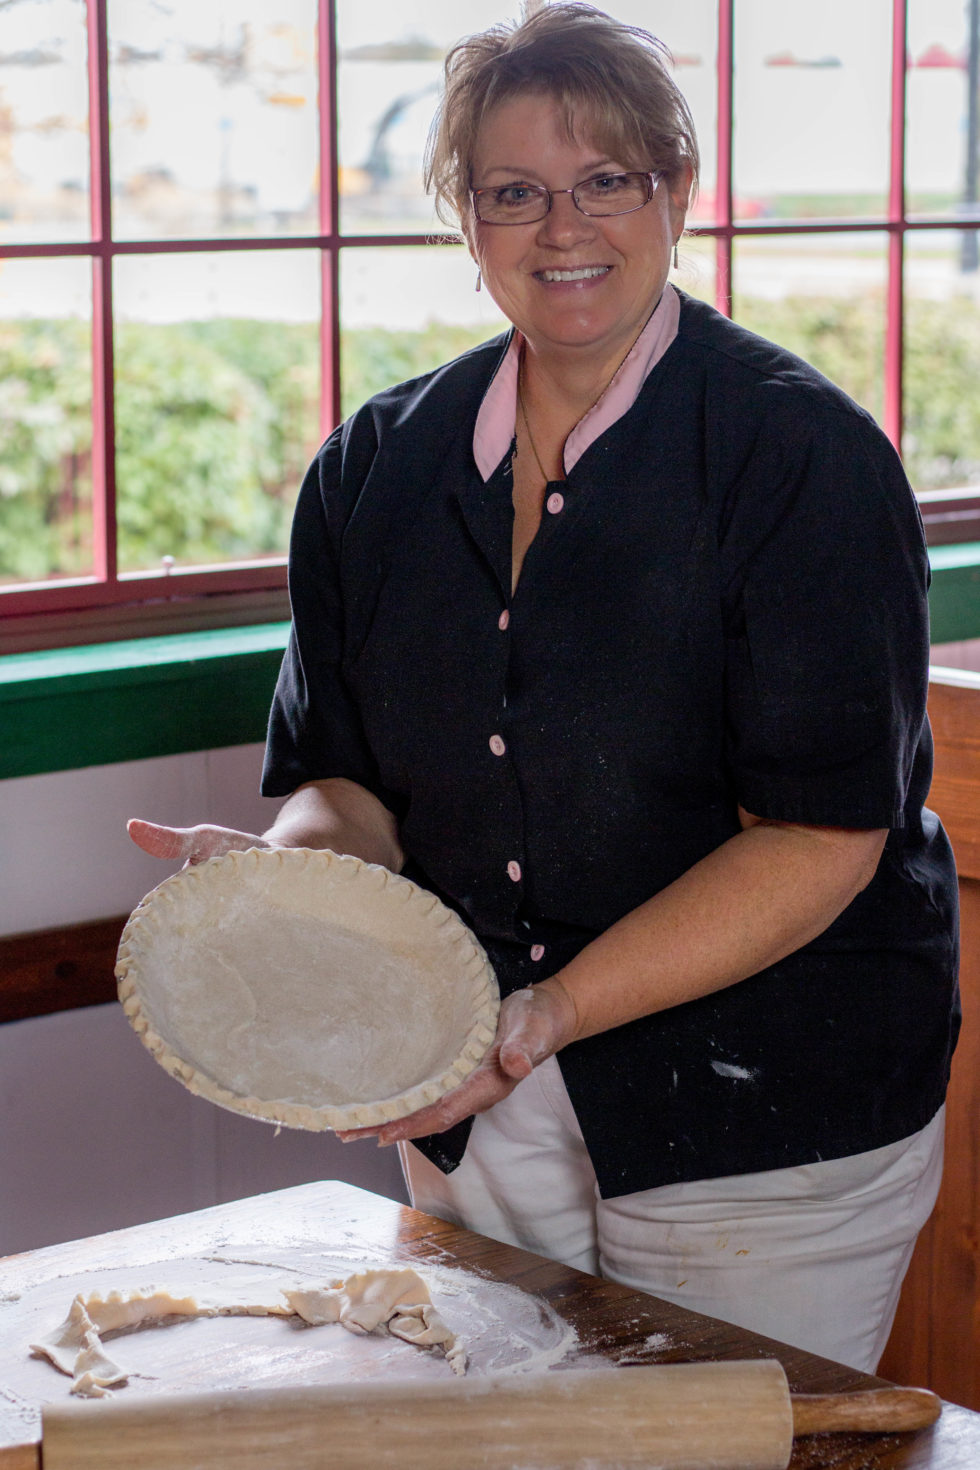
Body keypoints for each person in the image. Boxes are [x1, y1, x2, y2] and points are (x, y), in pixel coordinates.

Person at [129, 3, 959, 1374]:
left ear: (677, 192)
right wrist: (296, 892)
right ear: (467, 216)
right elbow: (347, 780)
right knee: (510, 1444)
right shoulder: (370, 471)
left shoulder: (799, 457)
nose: (561, 229)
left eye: (606, 182)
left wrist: (539, 1018)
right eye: (515, 191)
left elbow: (824, 837)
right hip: (473, 1100)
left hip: (767, 1119)